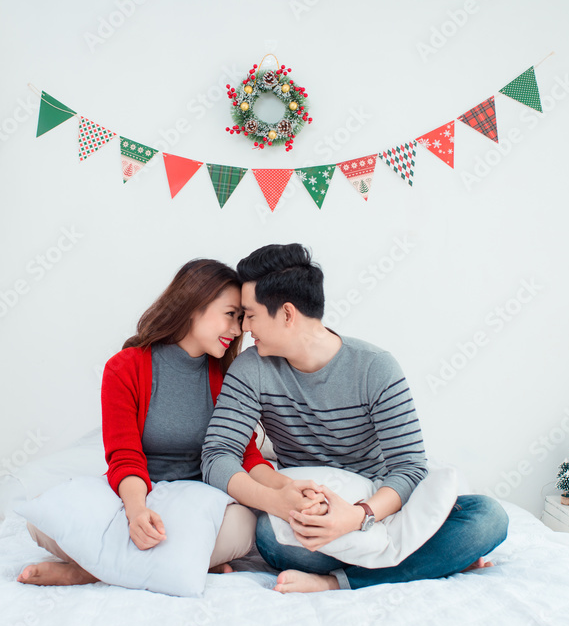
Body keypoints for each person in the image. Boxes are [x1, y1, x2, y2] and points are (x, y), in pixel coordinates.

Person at [201, 244, 509, 593]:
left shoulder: (375, 367)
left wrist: (358, 515)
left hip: (381, 509)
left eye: (251, 315)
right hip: (310, 515)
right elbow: (217, 456)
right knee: (269, 537)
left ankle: (335, 582)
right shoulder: (251, 368)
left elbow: (409, 468)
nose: (244, 326)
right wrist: (278, 502)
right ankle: (433, 560)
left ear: (287, 314)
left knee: (488, 518)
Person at [17, 259, 317, 586]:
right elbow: (124, 455)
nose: (237, 330)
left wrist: (284, 487)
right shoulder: (125, 368)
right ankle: (184, 561)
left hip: (201, 499)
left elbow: (244, 456)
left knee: (247, 526)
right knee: (43, 522)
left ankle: (88, 571)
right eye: (231, 315)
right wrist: (136, 513)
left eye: (242, 319)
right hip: (134, 492)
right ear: (193, 305)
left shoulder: (227, 376)